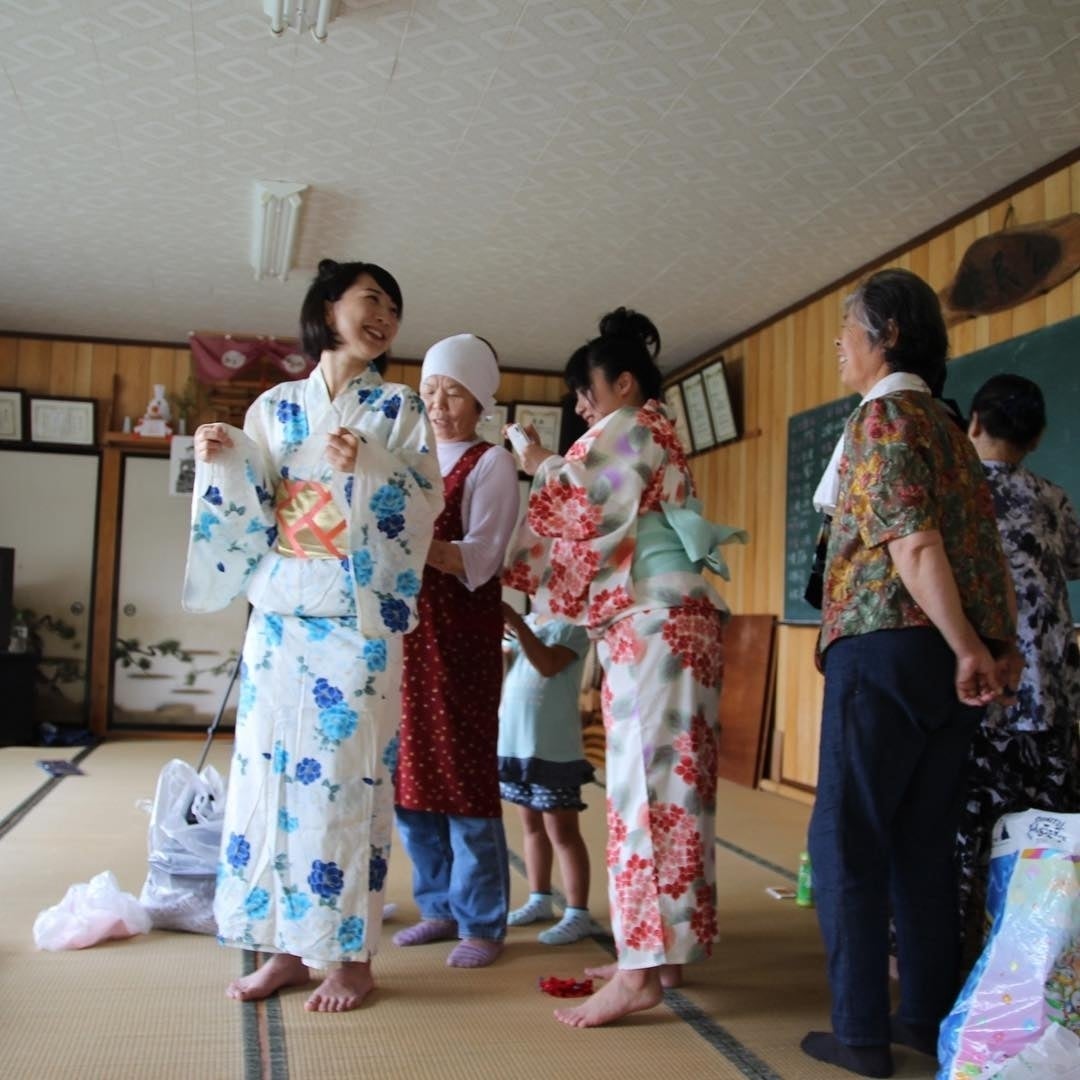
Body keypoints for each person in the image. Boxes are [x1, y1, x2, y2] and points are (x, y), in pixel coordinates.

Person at [182, 259, 443, 1012]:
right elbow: (256, 502)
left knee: (344, 783)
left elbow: (424, 501)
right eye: (371, 300)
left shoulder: (398, 406)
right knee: (267, 783)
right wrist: (224, 457)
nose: (384, 317)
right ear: (329, 309)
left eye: (394, 308)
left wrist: (374, 464)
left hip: (356, 616)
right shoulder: (275, 406)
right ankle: (285, 950)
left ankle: (351, 959)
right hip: (281, 617)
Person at [801, 268, 1019, 1078]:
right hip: (949, 668)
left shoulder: (883, 416)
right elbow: (984, 552)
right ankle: (926, 1019)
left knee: (847, 840)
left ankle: (859, 1034)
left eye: (848, 327)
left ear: (886, 334)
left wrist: (966, 645)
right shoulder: (953, 430)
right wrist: (992, 647)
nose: (839, 343)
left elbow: (914, 542)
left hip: (886, 645)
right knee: (923, 846)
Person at [504, 308, 748, 1027]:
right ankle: (658, 955)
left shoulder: (636, 426)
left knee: (648, 793)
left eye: (588, 391)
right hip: (663, 620)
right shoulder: (649, 430)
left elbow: (585, 498)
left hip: (656, 620)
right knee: (667, 793)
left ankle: (642, 970)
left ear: (626, 383)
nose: (583, 405)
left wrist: (539, 464)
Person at [392, 334, 521, 968]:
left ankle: (482, 920)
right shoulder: (403, 457)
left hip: (458, 638)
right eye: (430, 392)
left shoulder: (490, 463)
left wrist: (403, 537)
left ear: (479, 402)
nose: (439, 406)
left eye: (454, 393)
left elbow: (481, 559)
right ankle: (438, 907)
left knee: (462, 776)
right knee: (409, 776)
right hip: (404, 636)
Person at [956, 373, 1080, 958]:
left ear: (974, 423)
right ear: (1036, 438)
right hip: (1050, 696)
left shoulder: (959, 494)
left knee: (966, 830)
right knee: (1046, 835)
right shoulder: (1053, 499)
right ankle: (1039, 959)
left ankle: (949, 957)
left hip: (981, 690)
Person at [499, 602, 594, 945]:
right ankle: (539, 898)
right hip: (515, 743)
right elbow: (506, 670)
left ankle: (577, 912)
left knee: (563, 831)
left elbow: (548, 665)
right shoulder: (525, 622)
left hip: (553, 748)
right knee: (531, 827)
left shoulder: (574, 624)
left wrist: (516, 624)